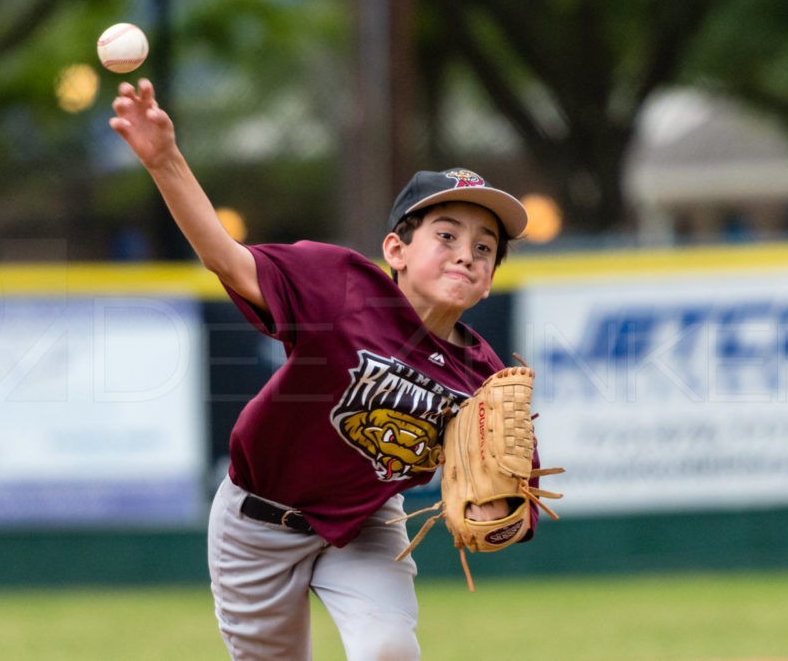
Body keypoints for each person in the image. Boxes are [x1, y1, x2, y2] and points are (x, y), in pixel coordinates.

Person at [109, 78, 539, 661]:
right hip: (256, 520)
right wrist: (165, 161)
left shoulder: (483, 382)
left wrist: (499, 513)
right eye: (446, 235)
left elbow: (516, 504)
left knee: (389, 650)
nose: (467, 252)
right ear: (396, 251)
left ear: (488, 281)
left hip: (365, 524)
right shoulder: (337, 285)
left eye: (485, 247)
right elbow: (225, 259)